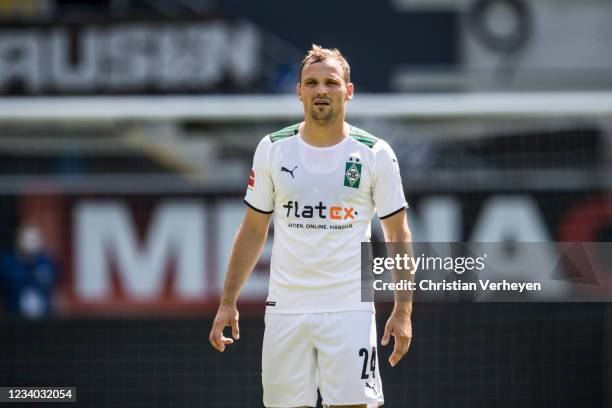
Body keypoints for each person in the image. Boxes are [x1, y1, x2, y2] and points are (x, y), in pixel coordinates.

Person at [209, 44, 413, 408]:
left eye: (331, 83)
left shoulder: (374, 153)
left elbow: (397, 234)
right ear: (299, 91)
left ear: (348, 91)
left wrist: (403, 311)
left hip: (350, 308)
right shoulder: (272, 149)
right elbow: (254, 228)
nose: (321, 91)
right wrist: (228, 301)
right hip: (286, 308)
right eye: (312, 83)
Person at [0, 223, 58, 318]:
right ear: (18, 239)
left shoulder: (47, 262)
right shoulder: (7, 262)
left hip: (44, 319)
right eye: (27, 238)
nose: (31, 242)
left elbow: (54, 288)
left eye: (34, 238)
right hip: (14, 319)